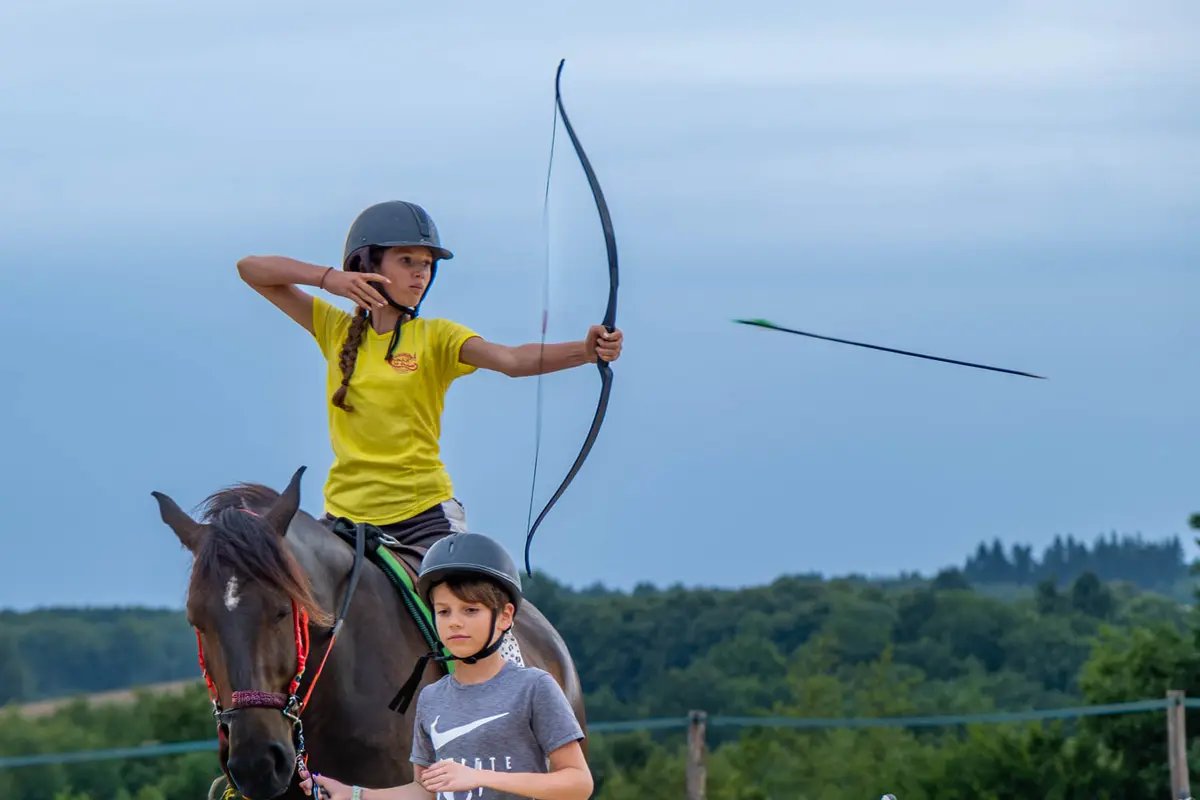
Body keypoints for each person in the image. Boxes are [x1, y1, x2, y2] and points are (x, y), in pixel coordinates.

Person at [236, 199, 623, 550]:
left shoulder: (437, 337)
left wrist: (585, 351)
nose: (420, 274)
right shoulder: (335, 330)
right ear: (368, 265)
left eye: (426, 264)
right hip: (344, 519)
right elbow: (250, 270)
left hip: (422, 518)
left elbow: (512, 360)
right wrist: (329, 278)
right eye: (407, 261)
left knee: (468, 603)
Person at [299, 531, 593, 800]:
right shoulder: (431, 698)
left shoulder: (535, 687)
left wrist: (479, 777)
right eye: (443, 611)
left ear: (505, 616)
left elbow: (579, 783)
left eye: (470, 610)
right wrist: (354, 795)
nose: (454, 621)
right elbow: (425, 791)